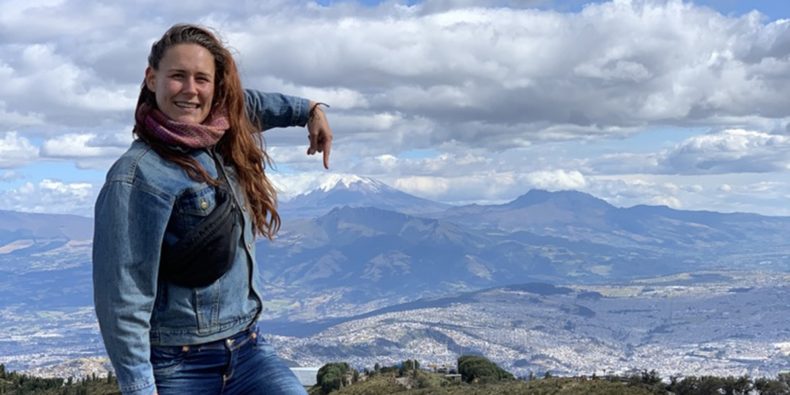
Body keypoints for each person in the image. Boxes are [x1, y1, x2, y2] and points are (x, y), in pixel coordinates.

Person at [92, 24, 332, 395]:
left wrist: (309, 111)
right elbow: (123, 300)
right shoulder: (136, 177)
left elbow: (251, 103)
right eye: (177, 76)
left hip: (247, 348)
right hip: (177, 363)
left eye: (202, 79)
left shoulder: (219, 128)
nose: (191, 90)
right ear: (151, 78)